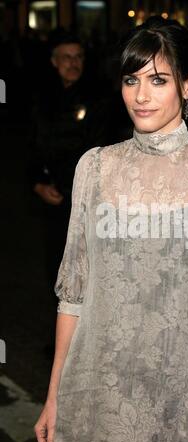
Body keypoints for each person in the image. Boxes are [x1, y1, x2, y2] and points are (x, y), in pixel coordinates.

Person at [34, 16, 188, 442]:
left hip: (180, 404)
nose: (140, 96)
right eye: (131, 80)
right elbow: (73, 295)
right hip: (90, 398)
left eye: (158, 80)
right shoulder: (94, 168)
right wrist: (54, 397)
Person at [28, 30, 111, 289]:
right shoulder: (41, 98)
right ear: (54, 61)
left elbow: (98, 147)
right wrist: (38, 183)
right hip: (56, 201)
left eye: (78, 57)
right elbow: (32, 146)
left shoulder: (99, 97)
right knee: (58, 267)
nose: (73, 63)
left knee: (92, 271)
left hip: (90, 199)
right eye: (66, 57)